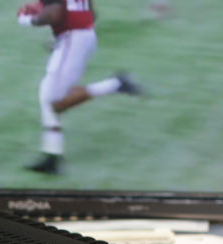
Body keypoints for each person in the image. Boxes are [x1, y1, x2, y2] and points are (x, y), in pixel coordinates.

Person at [16, 0, 142, 174]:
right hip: (83, 35)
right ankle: (52, 155)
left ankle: (115, 84)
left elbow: (54, 14)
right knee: (46, 92)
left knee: (55, 101)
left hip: (73, 39)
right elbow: (91, 13)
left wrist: (28, 20)